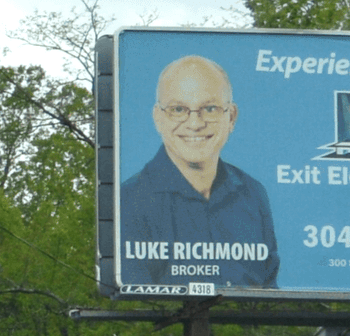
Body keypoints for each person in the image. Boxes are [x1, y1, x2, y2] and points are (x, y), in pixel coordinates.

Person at [119, 54, 278, 289]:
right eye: (178, 109)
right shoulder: (129, 200)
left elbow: (268, 294)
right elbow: (137, 298)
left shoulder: (253, 194)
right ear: (158, 118)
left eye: (210, 108)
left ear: (231, 117)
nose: (194, 123)